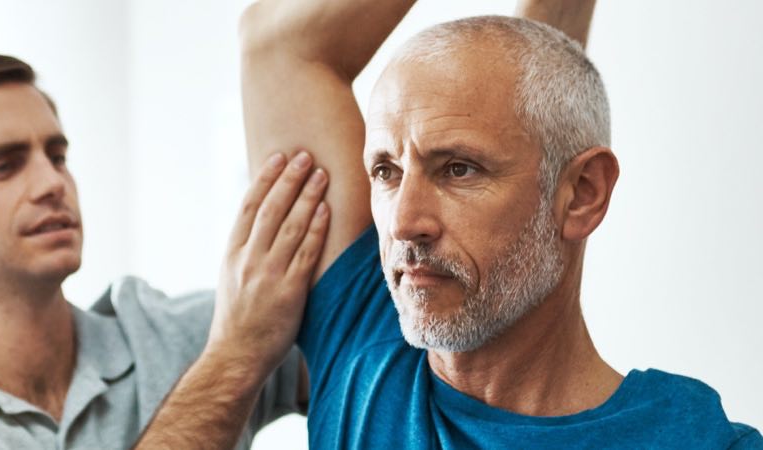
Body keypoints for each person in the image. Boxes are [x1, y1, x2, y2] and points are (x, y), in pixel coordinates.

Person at [169, 0, 758, 447]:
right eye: (385, 171)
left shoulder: (691, 439)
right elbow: (278, 43)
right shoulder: (363, 340)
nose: (403, 224)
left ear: (582, 195)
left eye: (457, 169)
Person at [0, 54, 331, 449]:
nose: (52, 182)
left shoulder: (185, 334)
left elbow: (376, 348)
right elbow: (237, 346)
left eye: (56, 155)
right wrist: (234, 360)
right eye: (4, 165)